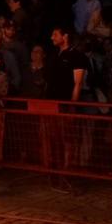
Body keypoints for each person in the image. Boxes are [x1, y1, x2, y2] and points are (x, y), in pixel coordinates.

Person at [43, 25, 88, 181]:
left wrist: (72, 105)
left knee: (67, 138)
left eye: (55, 34)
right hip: (51, 103)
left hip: (65, 104)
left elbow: (78, 83)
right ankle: (53, 168)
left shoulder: (77, 56)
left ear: (65, 36)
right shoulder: (54, 55)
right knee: (51, 137)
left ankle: (67, 169)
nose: (52, 38)